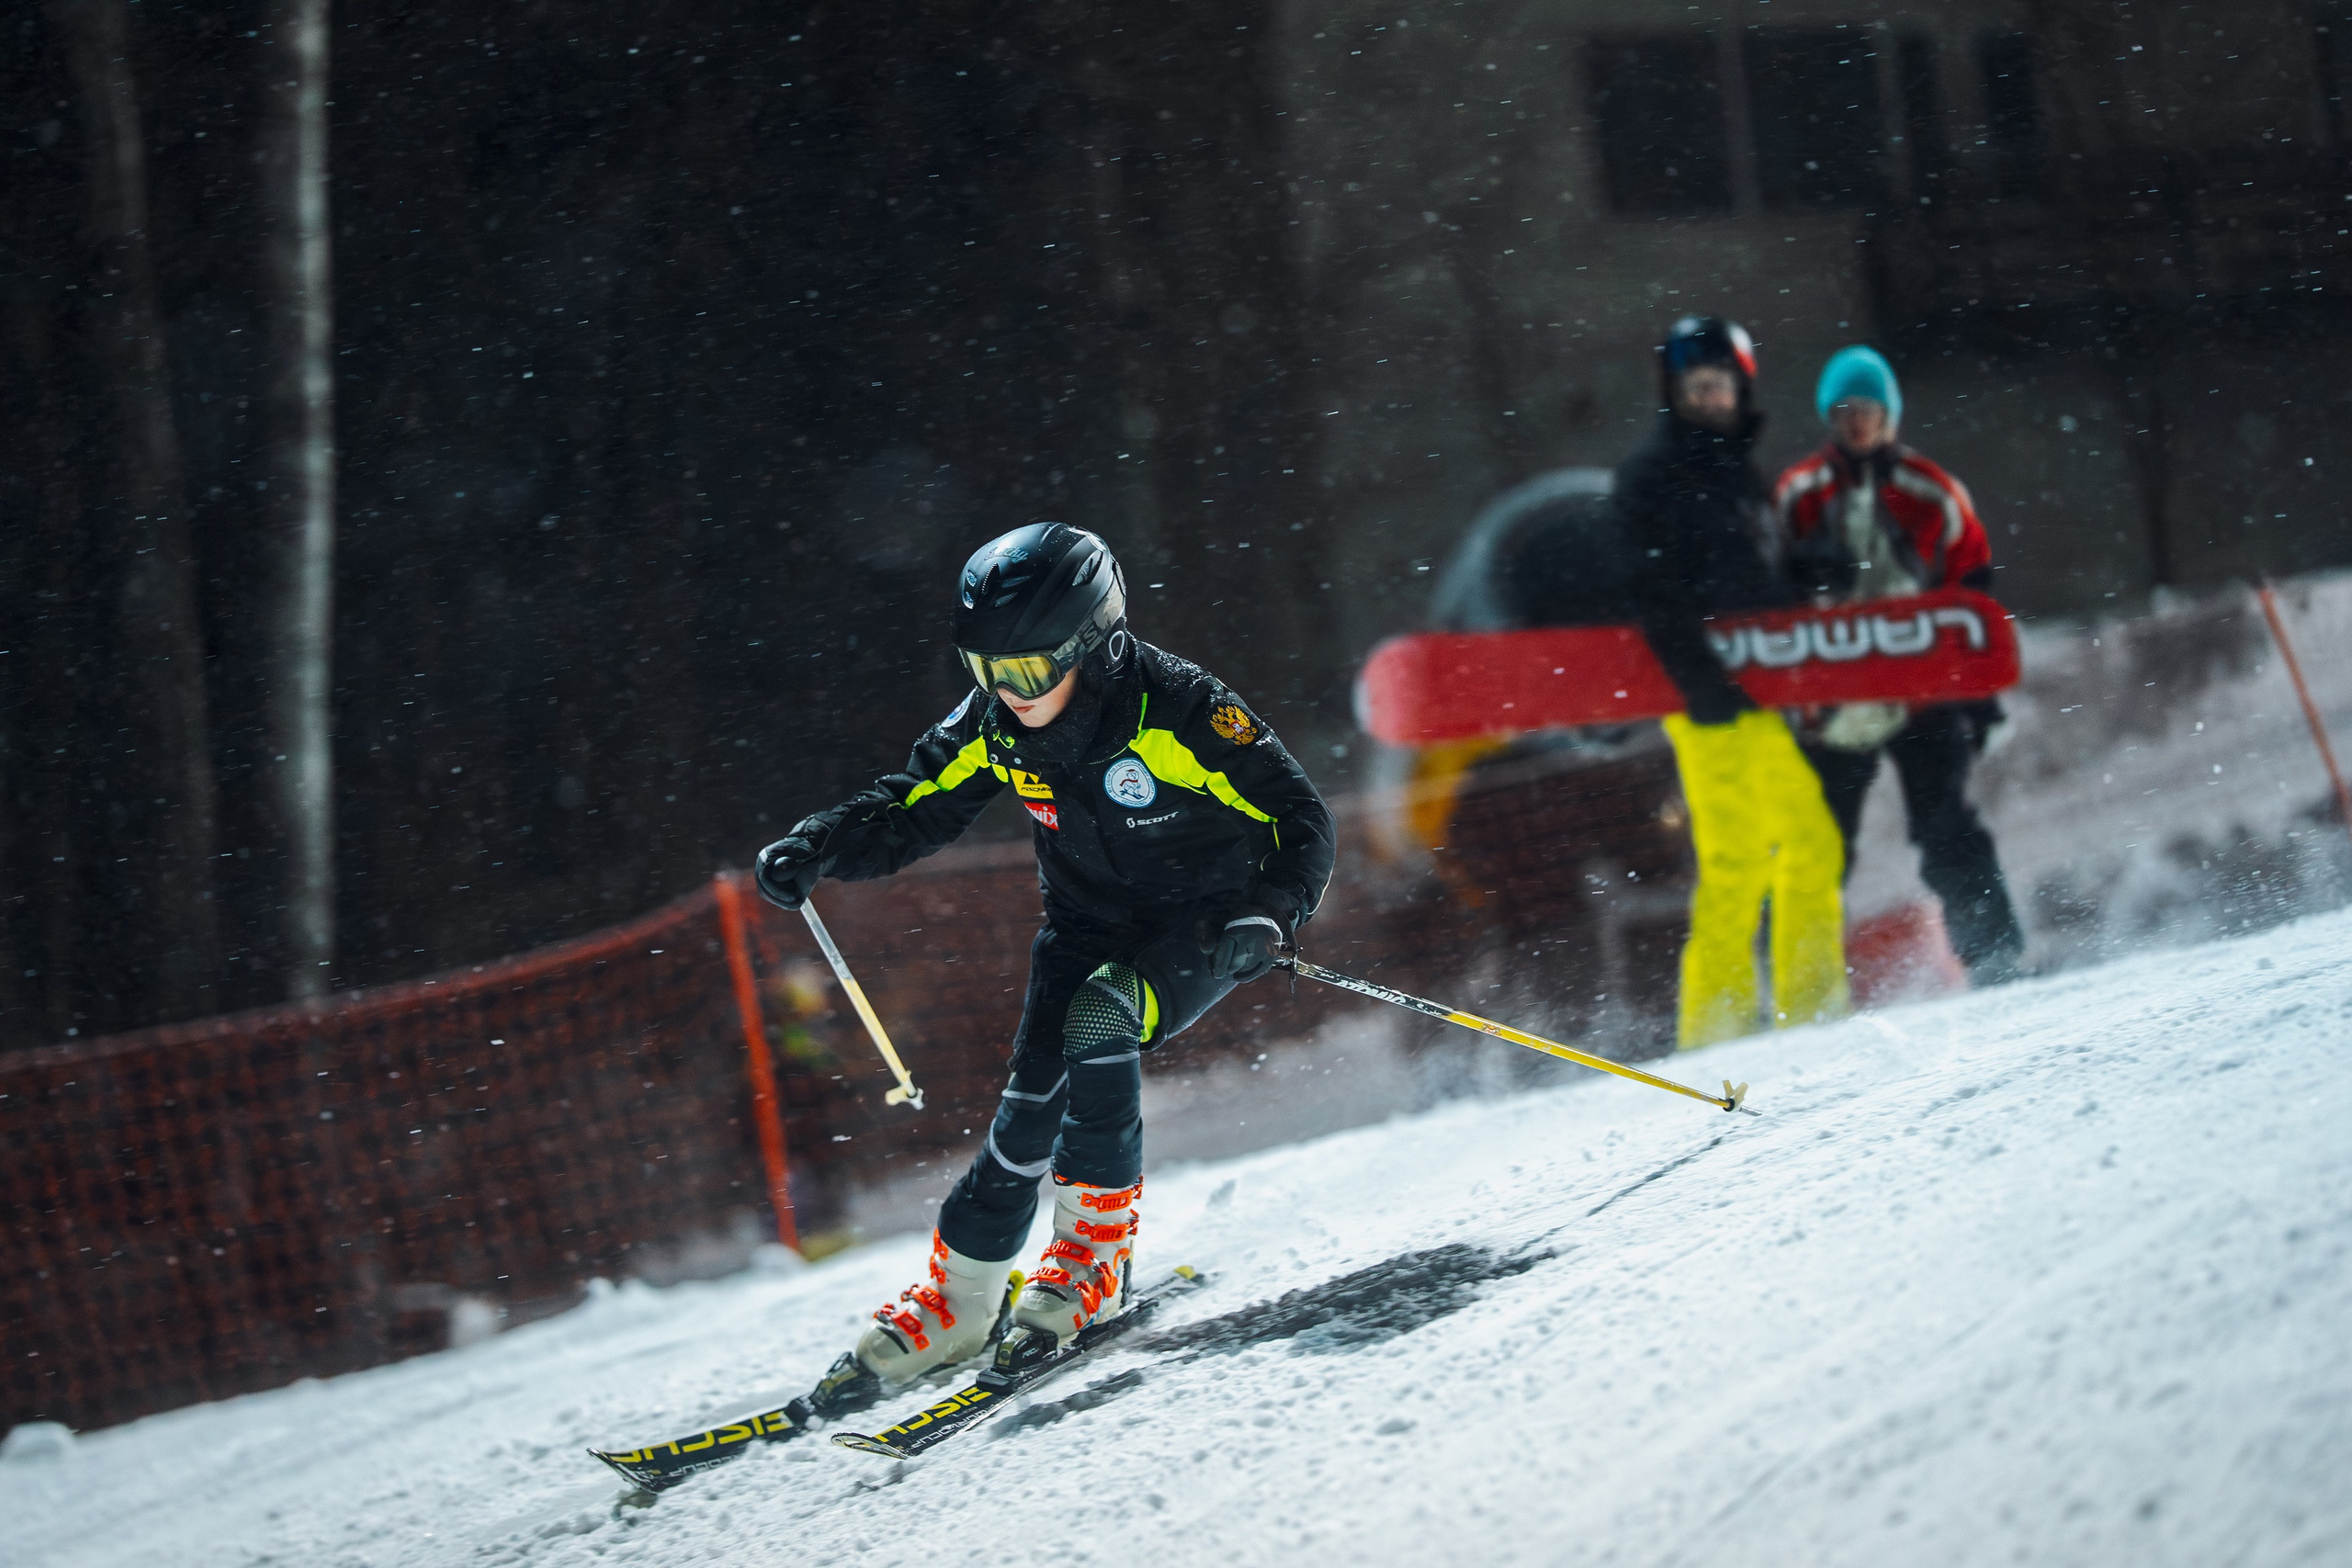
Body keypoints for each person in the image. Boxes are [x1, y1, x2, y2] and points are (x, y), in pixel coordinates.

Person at [753, 522, 1335, 1387]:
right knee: (1028, 1110)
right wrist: (820, 843)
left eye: (1024, 671)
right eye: (984, 670)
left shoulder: (1174, 707)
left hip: (1206, 921)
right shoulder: (1000, 721)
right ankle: (963, 1298)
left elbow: (1300, 819)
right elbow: (913, 803)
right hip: (1086, 925)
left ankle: (1095, 1260)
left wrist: (1271, 912)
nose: (1004, 692)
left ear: (1093, 646)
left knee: (1103, 1017)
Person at [1615, 315, 1850, 1049]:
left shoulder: (1743, 476)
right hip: (1710, 702)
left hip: (1761, 695)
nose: (1710, 398)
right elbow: (1648, 590)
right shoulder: (1653, 474)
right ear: (1676, 391)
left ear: (1741, 390)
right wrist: (1702, 682)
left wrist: (1811, 570)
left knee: (1782, 851)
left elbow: (1756, 580)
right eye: (1697, 386)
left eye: (1721, 385)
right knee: (1760, 856)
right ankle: (1733, 1031)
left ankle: (1790, 1018)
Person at [1775, 345, 2027, 983]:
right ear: (1829, 418)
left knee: (1947, 826)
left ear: (1891, 415)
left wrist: (1978, 694)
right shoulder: (1799, 494)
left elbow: (1974, 594)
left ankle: (1994, 955)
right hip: (1832, 700)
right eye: (1845, 411)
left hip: (1924, 691)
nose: (1859, 423)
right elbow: (1767, 591)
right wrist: (1804, 573)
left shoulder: (1932, 492)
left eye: (1870, 410)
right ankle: (1799, 986)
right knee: (1816, 848)